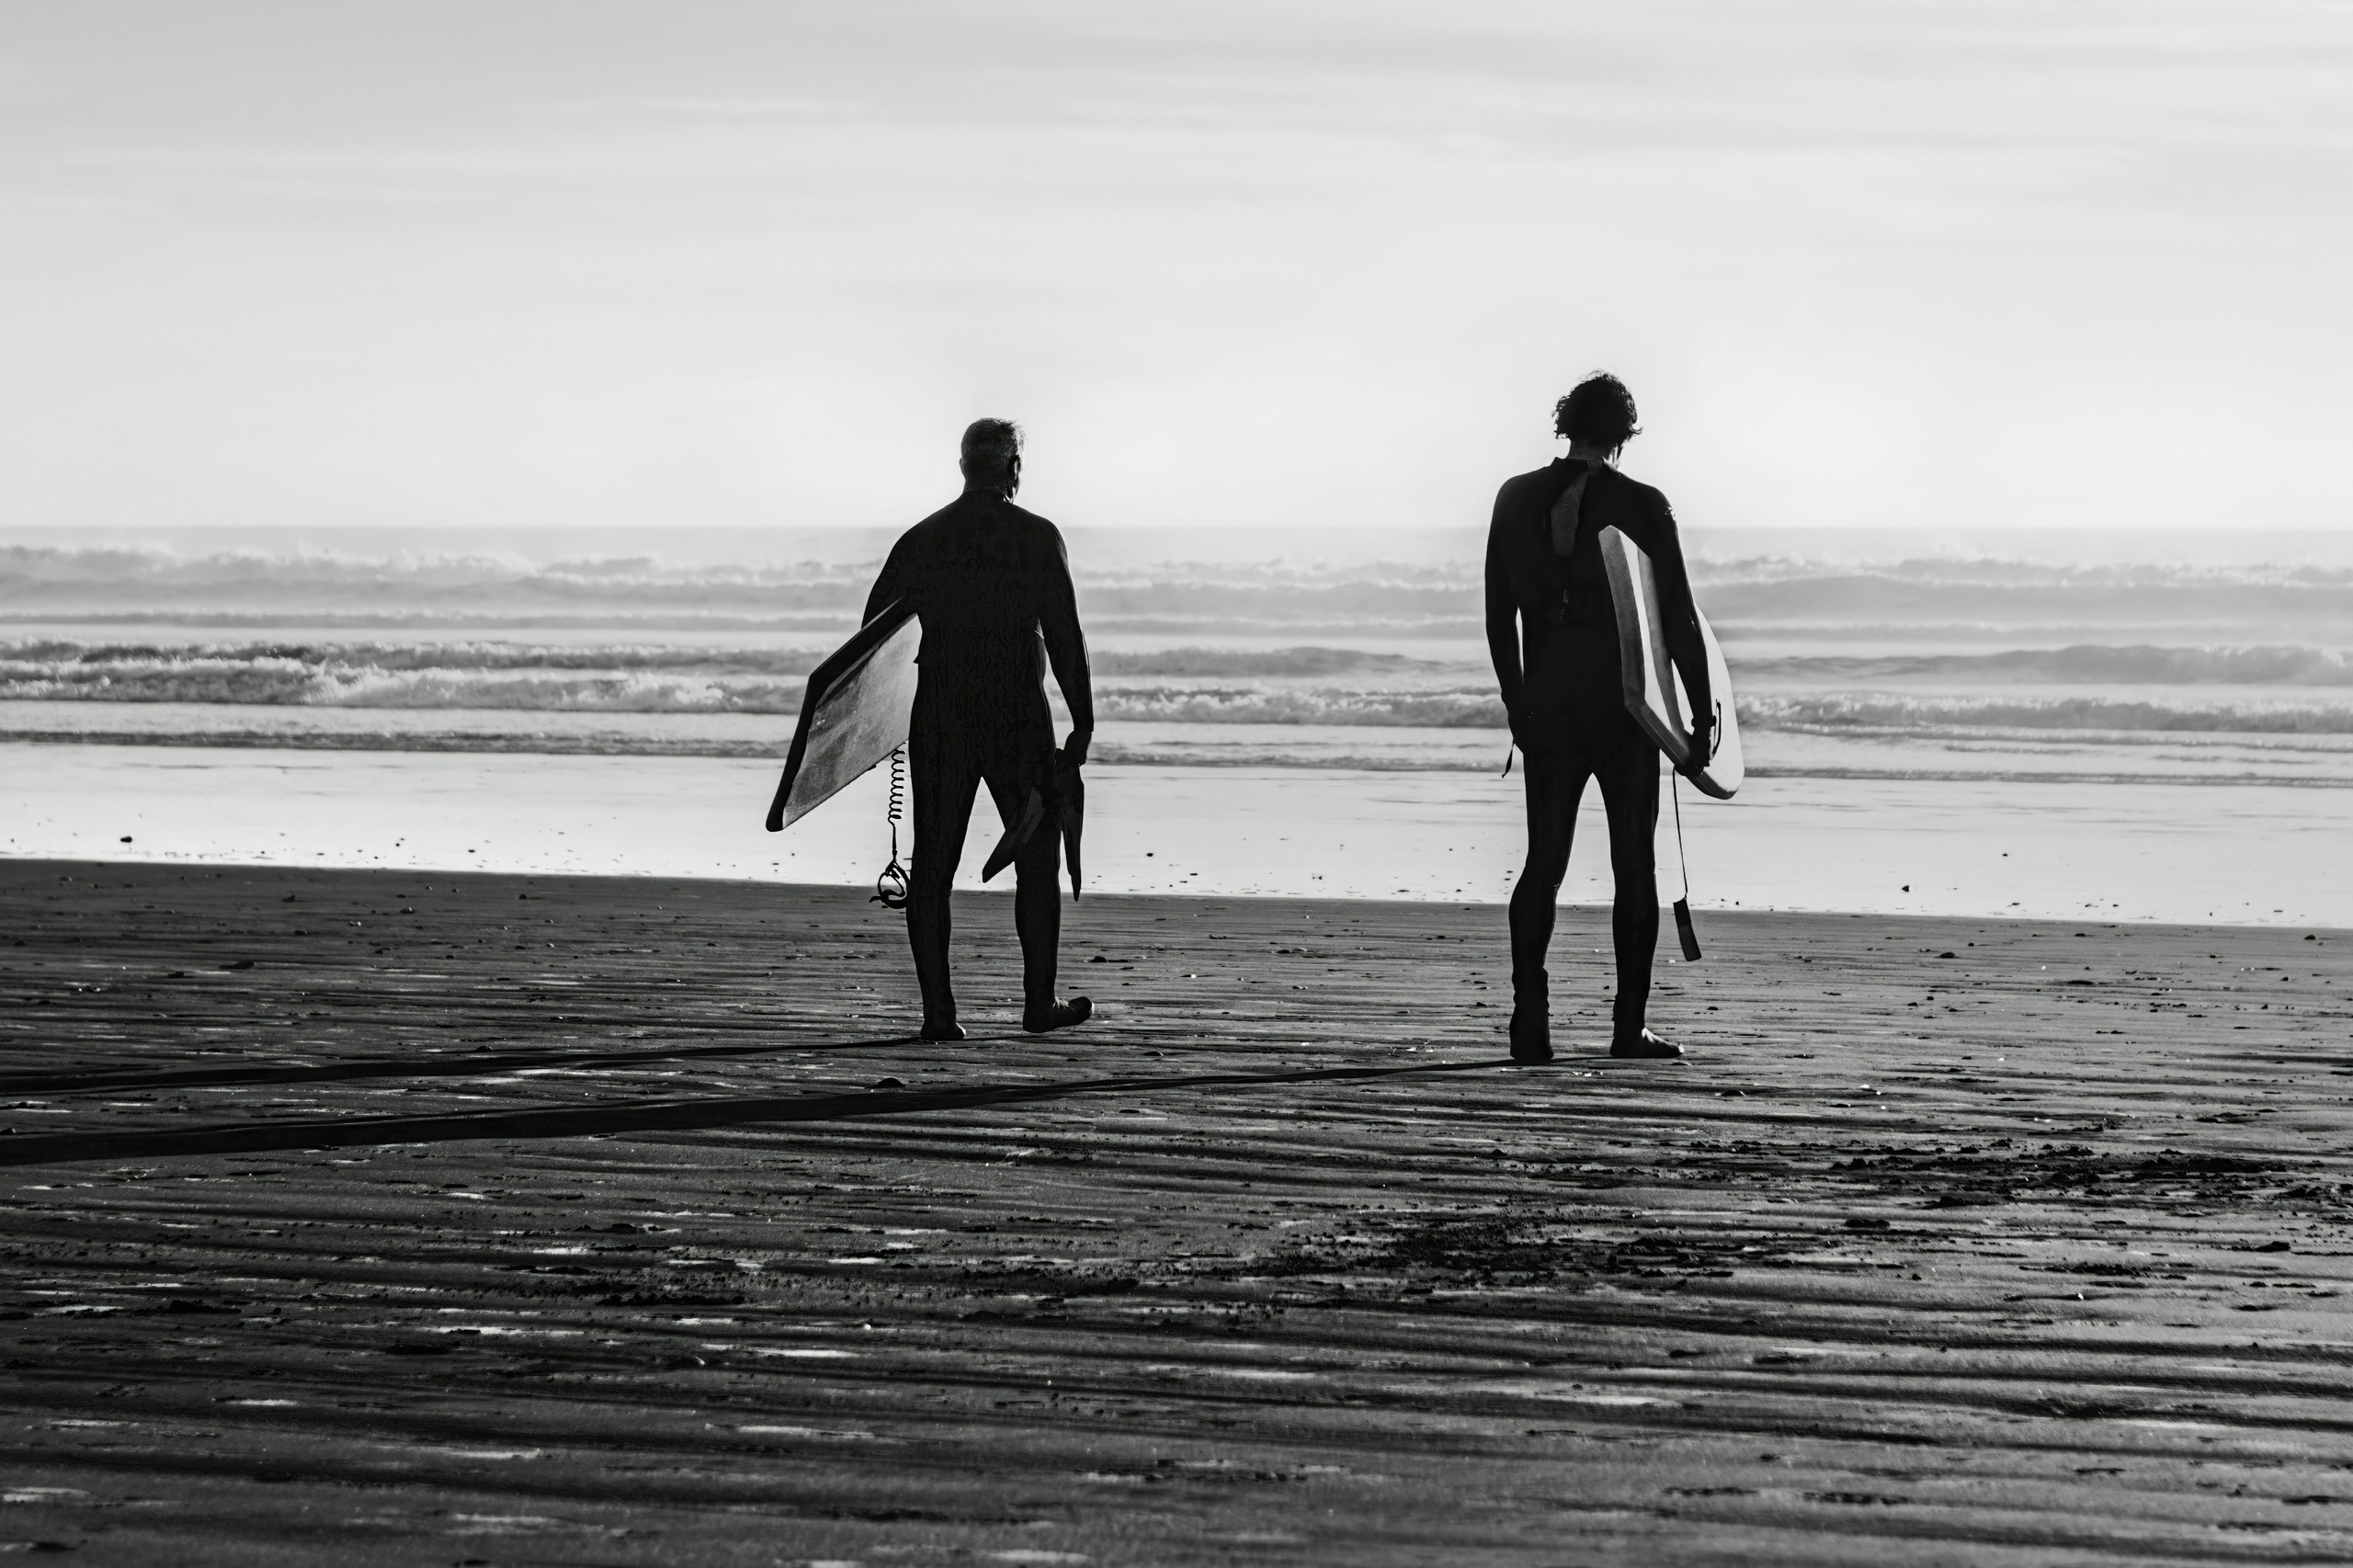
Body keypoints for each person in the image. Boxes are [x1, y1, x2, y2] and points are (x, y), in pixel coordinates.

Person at [1484, 373, 1710, 1063]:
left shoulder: (1515, 497)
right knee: (1632, 869)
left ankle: (1530, 1022)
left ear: (1566, 423)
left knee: (1543, 864)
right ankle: (1626, 1027)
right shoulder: (1644, 504)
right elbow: (1674, 617)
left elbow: (1499, 614)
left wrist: (1517, 704)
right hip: (1622, 712)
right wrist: (1702, 721)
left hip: (1548, 708)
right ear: (1624, 436)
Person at [862, 418, 1094, 1041]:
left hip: (942, 714)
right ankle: (1037, 1003)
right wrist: (1084, 720)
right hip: (1017, 717)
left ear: (963, 467)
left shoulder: (922, 540)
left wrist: (877, 727)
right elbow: (1066, 634)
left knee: (932, 865)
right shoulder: (1037, 537)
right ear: (1014, 468)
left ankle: (939, 1015)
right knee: (1037, 860)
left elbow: (873, 641)